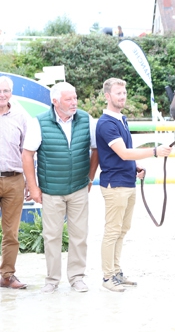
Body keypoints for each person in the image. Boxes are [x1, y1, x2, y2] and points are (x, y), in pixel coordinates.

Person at [97, 78, 172, 292]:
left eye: (124, 92)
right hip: (116, 185)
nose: (122, 96)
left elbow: (124, 155)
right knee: (112, 231)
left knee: (122, 230)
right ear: (108, 96)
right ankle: (107, 277)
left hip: (127, 181)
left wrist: (135, 166)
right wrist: (155, 151)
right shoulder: (107, 123)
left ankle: (116, 271)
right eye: (118, 93)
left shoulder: (121, 119)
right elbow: (123, 152)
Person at [22, 82, 99, 294]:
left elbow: (96, 149)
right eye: (68, 99)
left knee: (79, 235)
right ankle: (52, 280)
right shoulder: (39, 123)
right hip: (51, 190)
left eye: (75, 98)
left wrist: (90, 178)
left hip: (79, 188)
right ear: (55, 101)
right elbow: (27, 154)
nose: (74, 102)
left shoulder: (86, 119)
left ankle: (77, 278)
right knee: (52, 236)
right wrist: (34, 188)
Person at [0, 76, 29, 290]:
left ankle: (7, 275)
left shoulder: (21, 116)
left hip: (14, 180)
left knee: (11, 233)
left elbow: (27, 152)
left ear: (11, 93)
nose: (2, 95)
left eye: (6, 91)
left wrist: (30, 180)